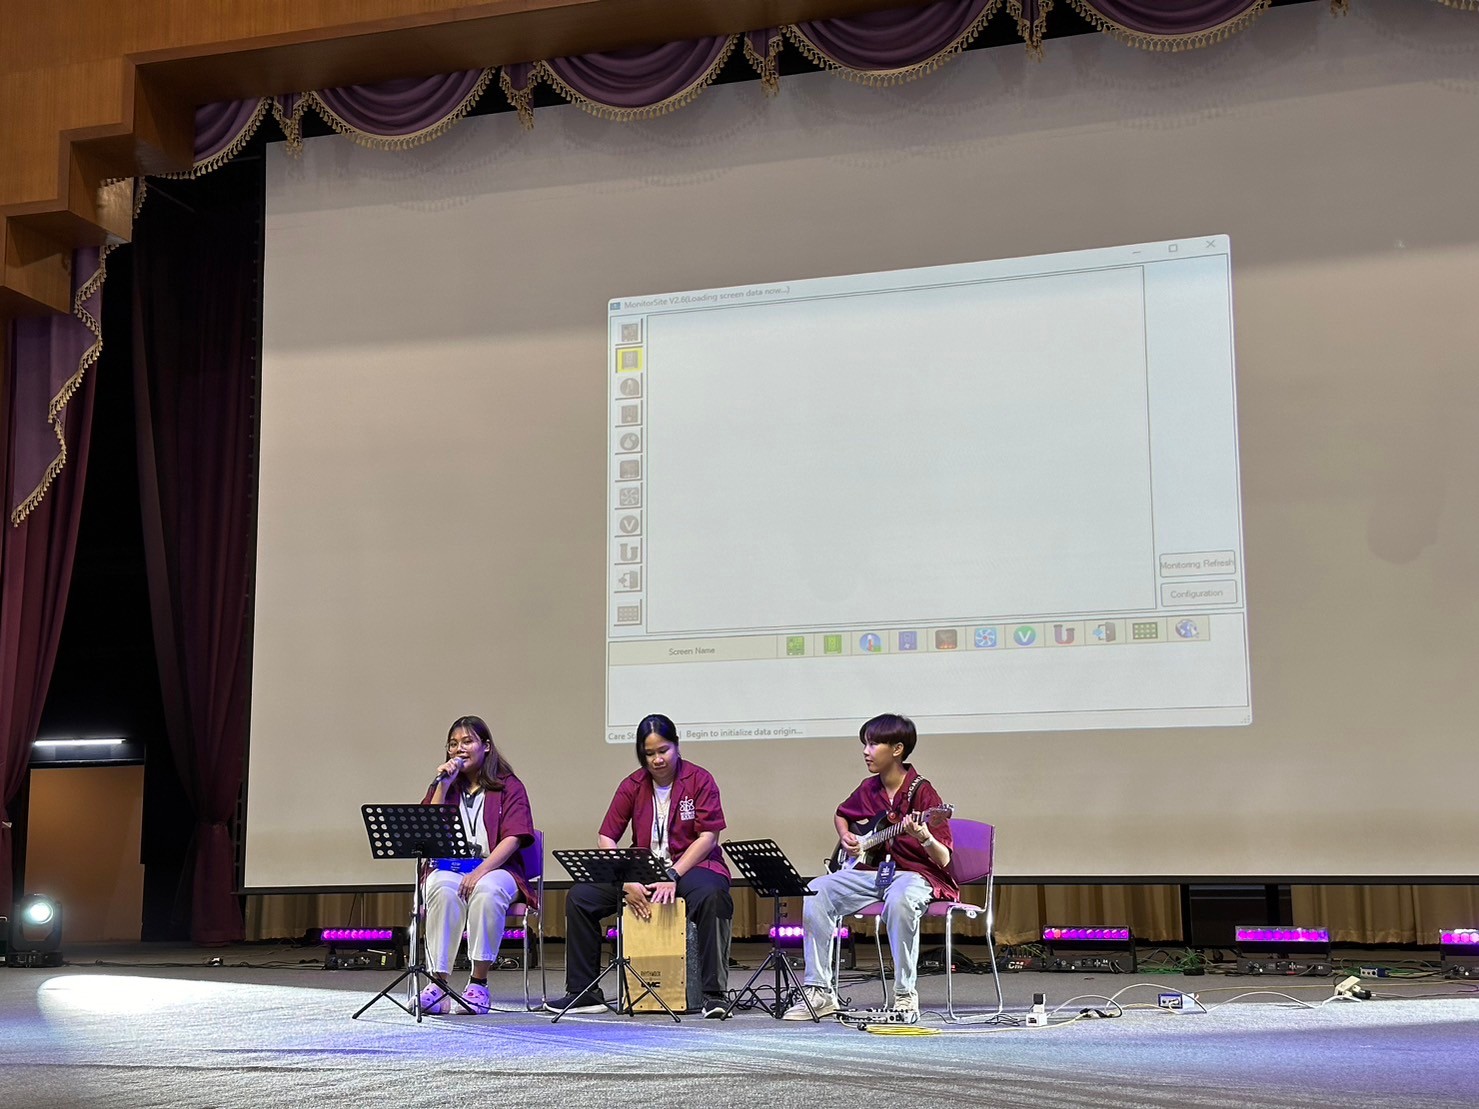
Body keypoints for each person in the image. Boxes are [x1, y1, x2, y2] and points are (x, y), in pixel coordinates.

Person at [547, 714, 734, 1019]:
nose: (657, 759)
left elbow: (708, 837)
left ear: (676, 746)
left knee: (712, 895)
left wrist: (673, 874)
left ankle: (714, 994)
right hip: (642, 871)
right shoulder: (633, 784)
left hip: (690, 867)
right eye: (649, 754)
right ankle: (584, 992)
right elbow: (606, 836)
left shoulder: (699, 779)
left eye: (663, 750)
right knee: (581, 897)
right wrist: (623, 881)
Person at [783, 713, 955, 1021]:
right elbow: (842, 814)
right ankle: (820, 992)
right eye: (865, 744)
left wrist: (924, 835)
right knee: (817, 890)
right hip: (872, 873)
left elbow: (943, 859)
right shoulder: (869, 788)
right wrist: (846, 837)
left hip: (914, 876)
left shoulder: (923, 793)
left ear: (897, 749)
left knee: (901, 900)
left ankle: (904, 995)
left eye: (874, 744)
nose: (866, 751)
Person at [417, 715, 536, 1015]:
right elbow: (428, 831)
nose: (459, 748)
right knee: (440, 886)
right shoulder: (446, 786)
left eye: (467, 741)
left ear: (486, 746)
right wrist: (442, 787)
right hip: (451, 867)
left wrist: (480, 871)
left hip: (497, 869)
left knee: (487, 890)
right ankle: (438, 984)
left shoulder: (509, 786)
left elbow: (514, 838)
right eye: (453, 744)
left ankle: (478, 983)